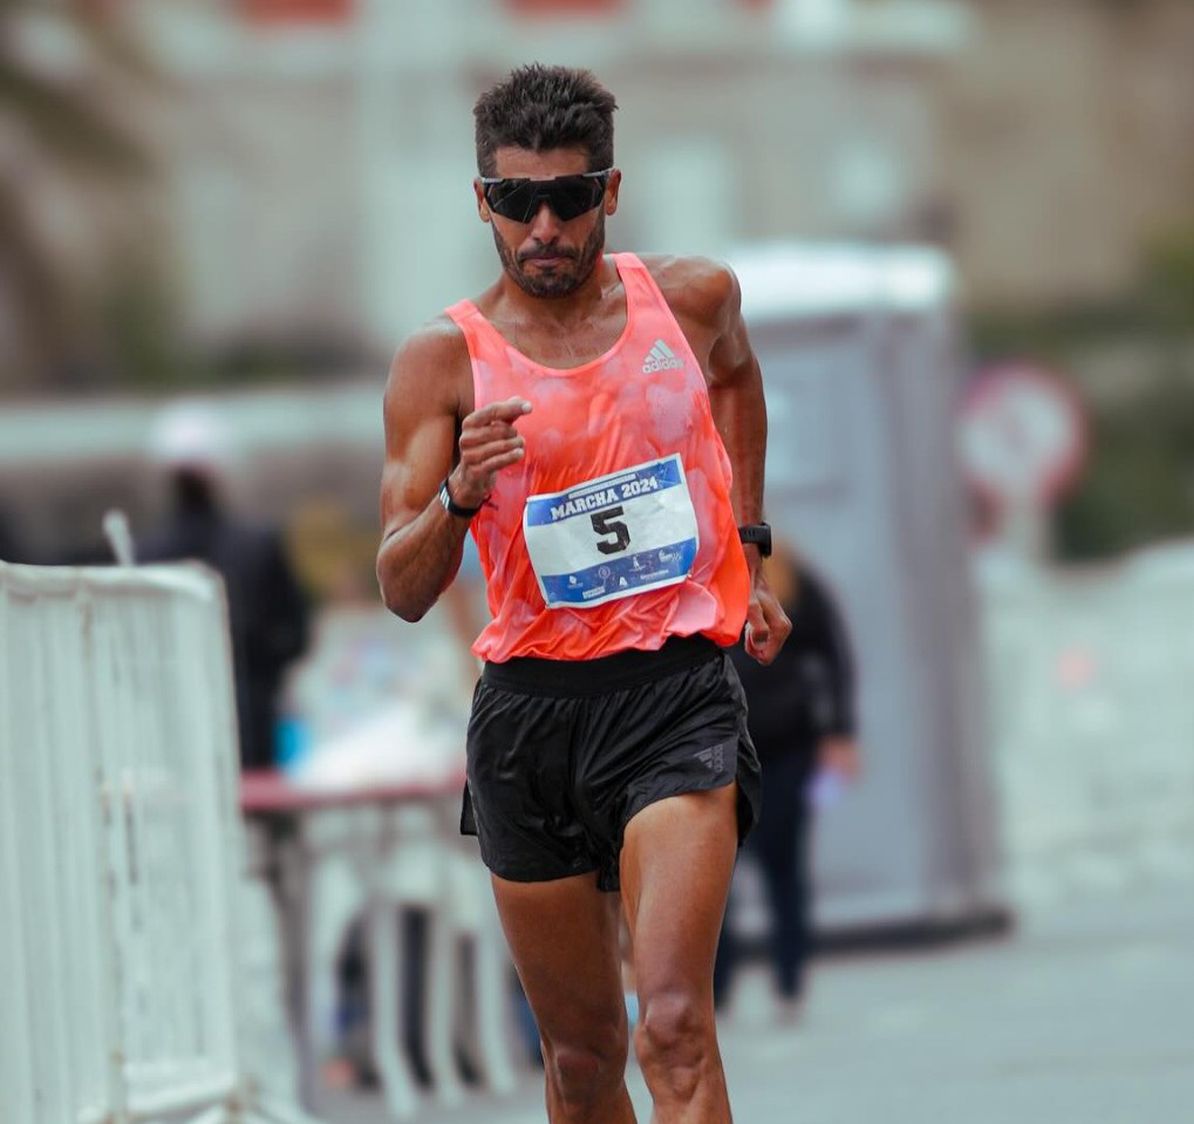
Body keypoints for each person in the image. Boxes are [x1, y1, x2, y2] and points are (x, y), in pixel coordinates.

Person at [375, 64, 791, 1123]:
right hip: (528, 718)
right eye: (517, 202)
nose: (544, 225)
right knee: (581, 1054)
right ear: (483, 202)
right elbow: (400, 586)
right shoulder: (442, 364)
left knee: (670, 1022)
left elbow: (738, 380)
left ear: (611, 191)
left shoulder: (693, 301)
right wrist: (461, 498)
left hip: (676, 696)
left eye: (569, 198)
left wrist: (746, 552)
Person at [712, 548, 860, 1024]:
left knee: (784, 861)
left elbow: (834, 652)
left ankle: (790, 979)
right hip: (717, 746)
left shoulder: (790, 574)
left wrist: (840, 731)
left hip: (786, 742)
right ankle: (715, 988)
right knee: (711, 871)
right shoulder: (698, 572)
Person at [139, 403, 310, 771]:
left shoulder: (145, 555)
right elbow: (296, 635)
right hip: (253, 731)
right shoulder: (259, 545)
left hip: (168, 734)